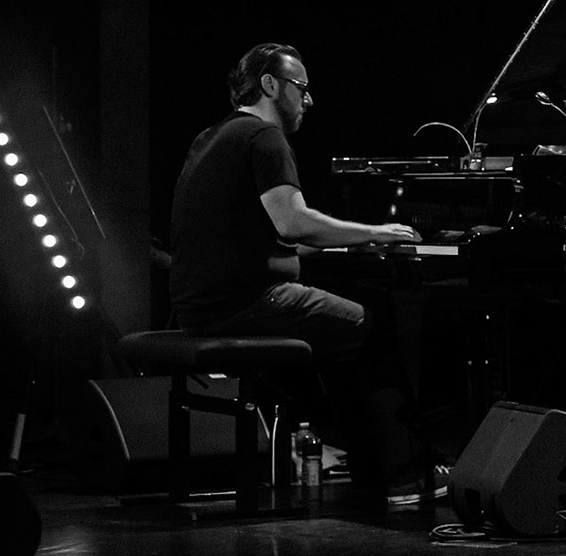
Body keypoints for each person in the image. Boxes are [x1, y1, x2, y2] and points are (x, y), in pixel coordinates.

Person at [167, 43, 445, 505]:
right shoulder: (265, 137)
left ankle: (369, 468)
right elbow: (293, 222)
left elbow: (258, 234)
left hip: (201, 308)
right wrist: (374, 230)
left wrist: (347, 239)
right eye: (301, 88)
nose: (308, 100)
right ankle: (403, 477)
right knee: (371, 328)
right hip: (247, 305)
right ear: (270, 85)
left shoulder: (212, 137)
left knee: (337, 337)